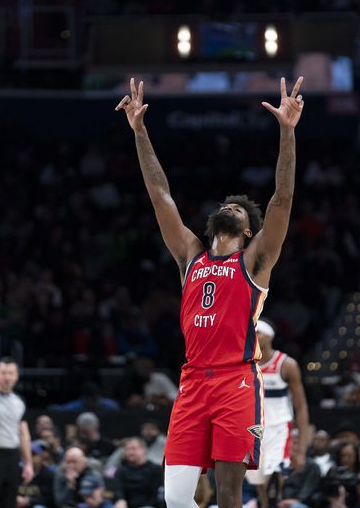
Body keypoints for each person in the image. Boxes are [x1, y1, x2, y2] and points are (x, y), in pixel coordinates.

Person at [116, 74, 305, 508]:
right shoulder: (191, 257)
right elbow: (160, 195)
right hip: (192, 382)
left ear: (248, 230)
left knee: (227, 497)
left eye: (239, 209)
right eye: (227, 204)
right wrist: (140, 133)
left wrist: (287, 133)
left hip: (235, 381)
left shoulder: (255, 260)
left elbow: (282, 199)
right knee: (177, 499)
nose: (230, 207)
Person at [245, 318, 309, 508]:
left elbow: (302, 407)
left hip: (280, 429)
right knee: (261, 487)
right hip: (252, 430)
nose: (254, 336)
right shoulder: (245, 365)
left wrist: (302, 450)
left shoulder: (286, 364)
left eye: (259, 333)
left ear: (270, 336)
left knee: (279, 482)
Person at [0, 357, 34, 508]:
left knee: (9, 503)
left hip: (13, 458)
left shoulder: (20, 401)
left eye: (10, 373)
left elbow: (24, 433)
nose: (7, 377)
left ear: (16, 376)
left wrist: (28, 463)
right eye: (3, 373)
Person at [112, 437, 163, 508]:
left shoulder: (155, 469)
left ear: (144, 450)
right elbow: (118, 490)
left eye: (133, 449)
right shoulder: (121, 470)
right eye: (127, 449)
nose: (130, 452)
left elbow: (157, 493)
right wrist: (120, 500)